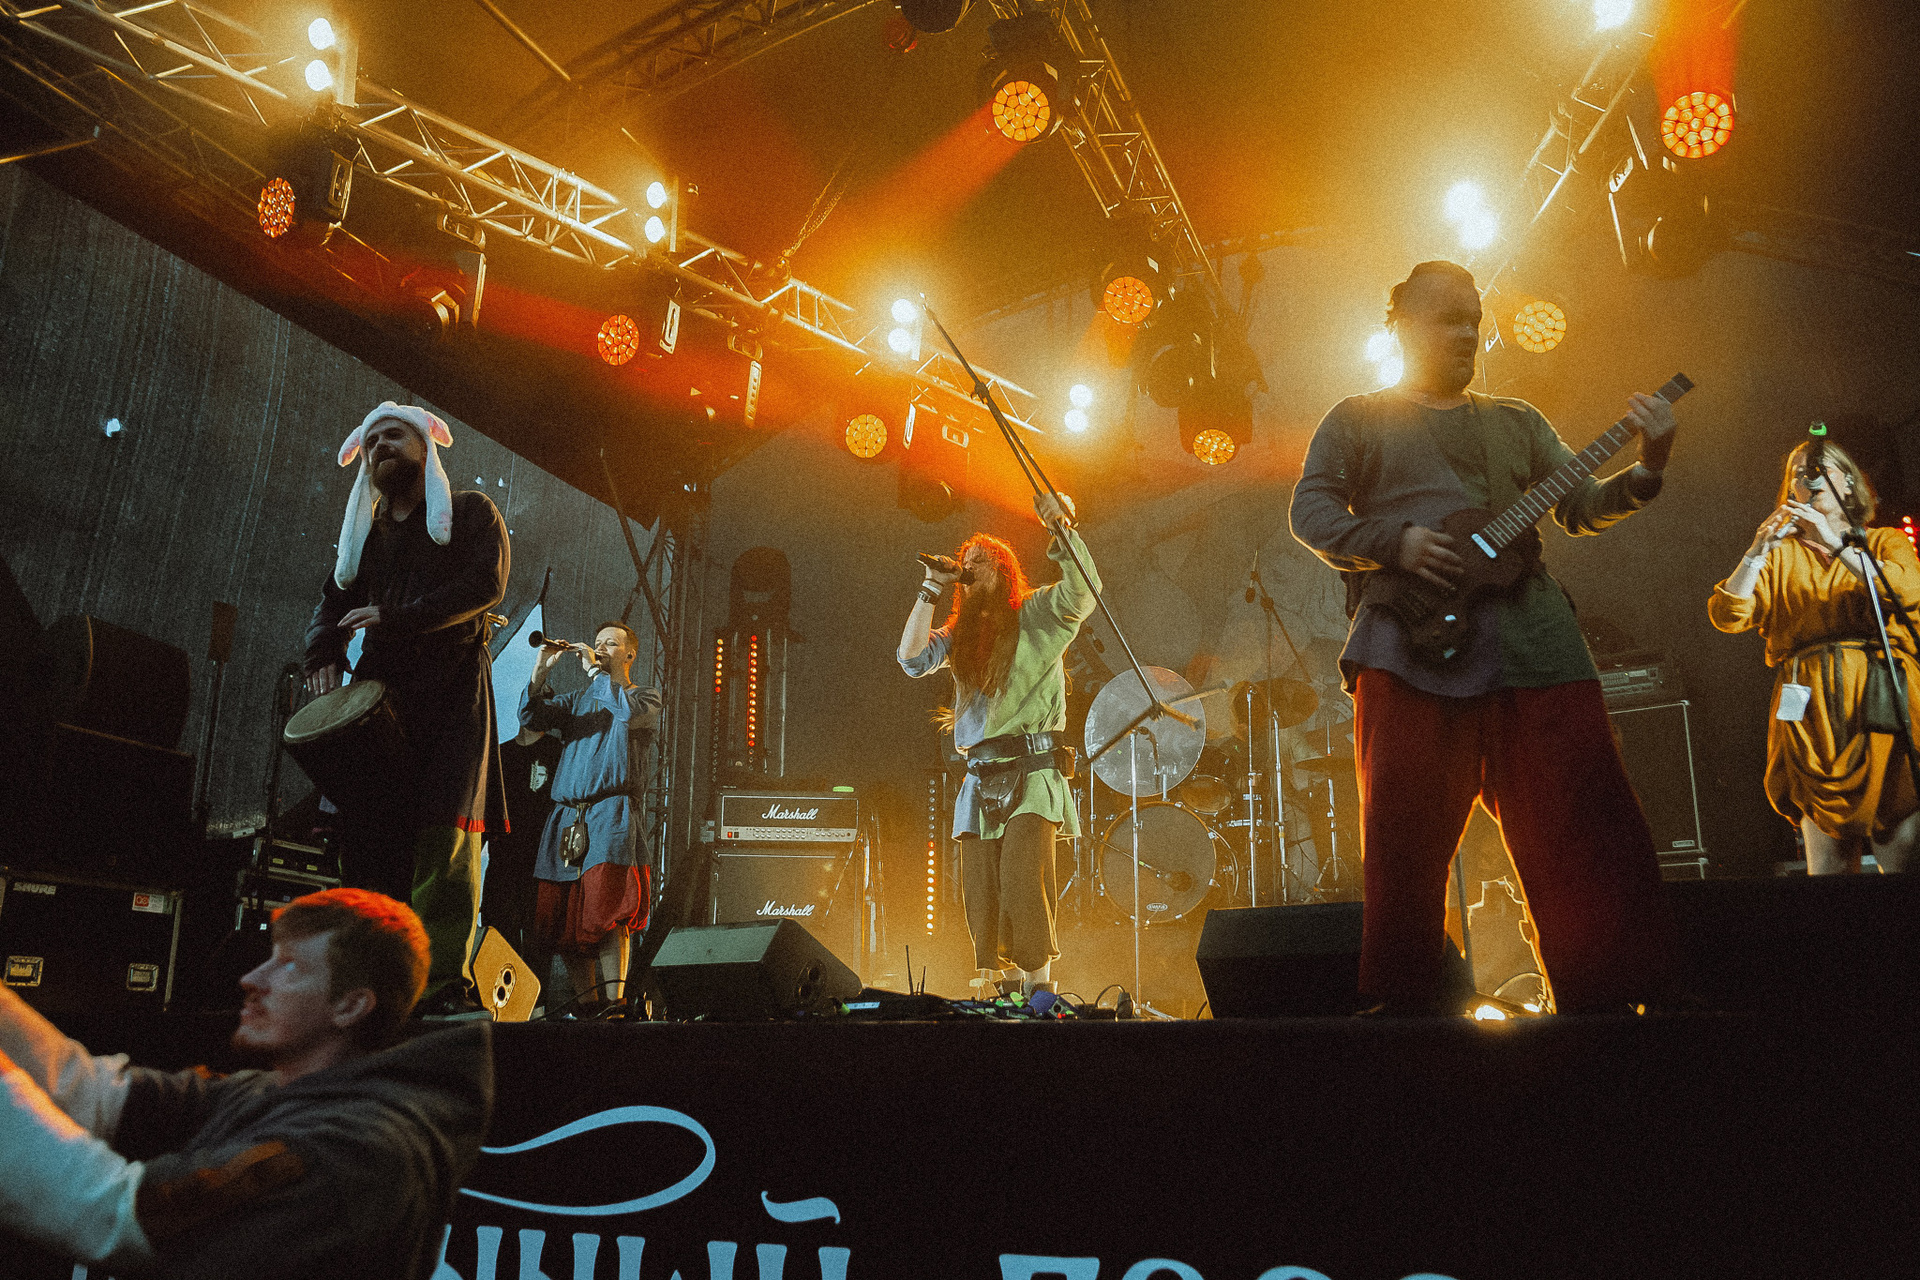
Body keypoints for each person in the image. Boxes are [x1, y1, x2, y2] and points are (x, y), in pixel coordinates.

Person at [1288, 260, 1679, 1014]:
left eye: (1474, 318)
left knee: (1586, 824)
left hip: (1537, 645)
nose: (1468, 331)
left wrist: (1649, 468)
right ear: (1402, 325)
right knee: (1403, 837)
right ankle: (1410, 1008)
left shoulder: (1517, 421)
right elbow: (1312, 512)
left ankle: (1614, 1001)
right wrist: (1394, 542)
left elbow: (1582, 506)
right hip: (1406, 650)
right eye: (1448, 317)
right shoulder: (1358, 417)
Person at [0, 888, 492, 1277]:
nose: (252, 978)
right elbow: (91, 1093)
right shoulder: (268, 1091)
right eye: (269, 957)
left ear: (350, 1006)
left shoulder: (353, 1149)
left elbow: (114, 1216)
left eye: (289, 965)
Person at [304, 402, 511, 1014]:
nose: (381, 448)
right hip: (382, 699)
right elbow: (332, 601)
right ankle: (371, 989)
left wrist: (396, 617)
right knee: (371, 844)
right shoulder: (367, 538)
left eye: (394, 436)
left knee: (443, 844)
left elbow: (484, 586)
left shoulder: (471, 512)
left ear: (426, 446)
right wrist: (323, 650)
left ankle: (441, 989)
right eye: (372, 442)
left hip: (451, 695)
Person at [899, 493, 1095, 997]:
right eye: (966, 562)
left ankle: (1039, 991)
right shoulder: (961, 633)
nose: (970, 567)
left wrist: (1062, 529)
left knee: (1024, 879)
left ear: (1004, 570)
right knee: (983, 891)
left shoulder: (1038, 613)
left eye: (982, 560)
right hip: (980, 775)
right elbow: (912, 658)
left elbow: (1083, 591)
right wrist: (932, 585)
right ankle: (1004, 993)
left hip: (1032, 769)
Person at [1708, 440, 1920, 874]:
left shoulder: (1884, 541)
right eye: (1798, 472)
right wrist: (1755, 552)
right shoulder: (1781, 554)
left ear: (1848, 480)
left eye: (1821, 468)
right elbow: (1728, 615)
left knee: (1902, 863)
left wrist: (1837, 544)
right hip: (1811, 713)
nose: (1809, 477)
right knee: (1828, 874)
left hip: (1884, 699)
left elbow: (1906, 592)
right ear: (1792, 490)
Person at [518, 620, 663, 1012]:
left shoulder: (645, 697)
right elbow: (530, 718)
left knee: (608, 909)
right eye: (597, 642)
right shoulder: (577, 701)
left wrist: (598, 675)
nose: (600, 648)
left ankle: (616, 1003)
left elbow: (626, 713)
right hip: (567, 817)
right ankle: (587, 1006)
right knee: (565, 916)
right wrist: (541, 670)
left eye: (610, 643)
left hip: (610, 813)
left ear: (630, 654)